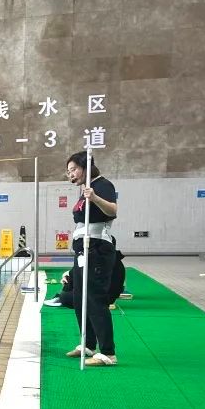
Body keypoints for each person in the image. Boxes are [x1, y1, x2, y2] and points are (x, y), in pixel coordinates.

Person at [65, 150, 118, 366]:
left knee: (95, 299)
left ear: (86, 168)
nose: (70, 174)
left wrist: (94, 198)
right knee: (79, 298)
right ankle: (88, 344)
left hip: (96, 249)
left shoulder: (102, 185)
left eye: (74, 169)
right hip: (82, 251)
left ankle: (108, 353)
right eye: (68, 171)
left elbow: (112, 210)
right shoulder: (84, 190)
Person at [45, 240, 126, 309]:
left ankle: (62, 296)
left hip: (97, 298)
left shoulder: (98, 260)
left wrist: (68, 279)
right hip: (110, 298)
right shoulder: (118, 262)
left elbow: (77, 276)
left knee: (65, 295)